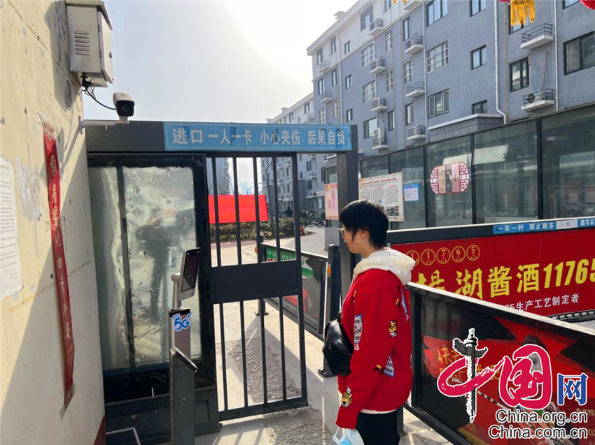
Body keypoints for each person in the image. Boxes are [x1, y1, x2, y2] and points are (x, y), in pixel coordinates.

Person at [336, 200, 415, 445]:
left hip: (373, 396)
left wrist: (350, 404)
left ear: (363, 232)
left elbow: (371, 351)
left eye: (346, 229)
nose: (343, 235)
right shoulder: (385, 271)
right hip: (383, 387)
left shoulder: (375, 281)